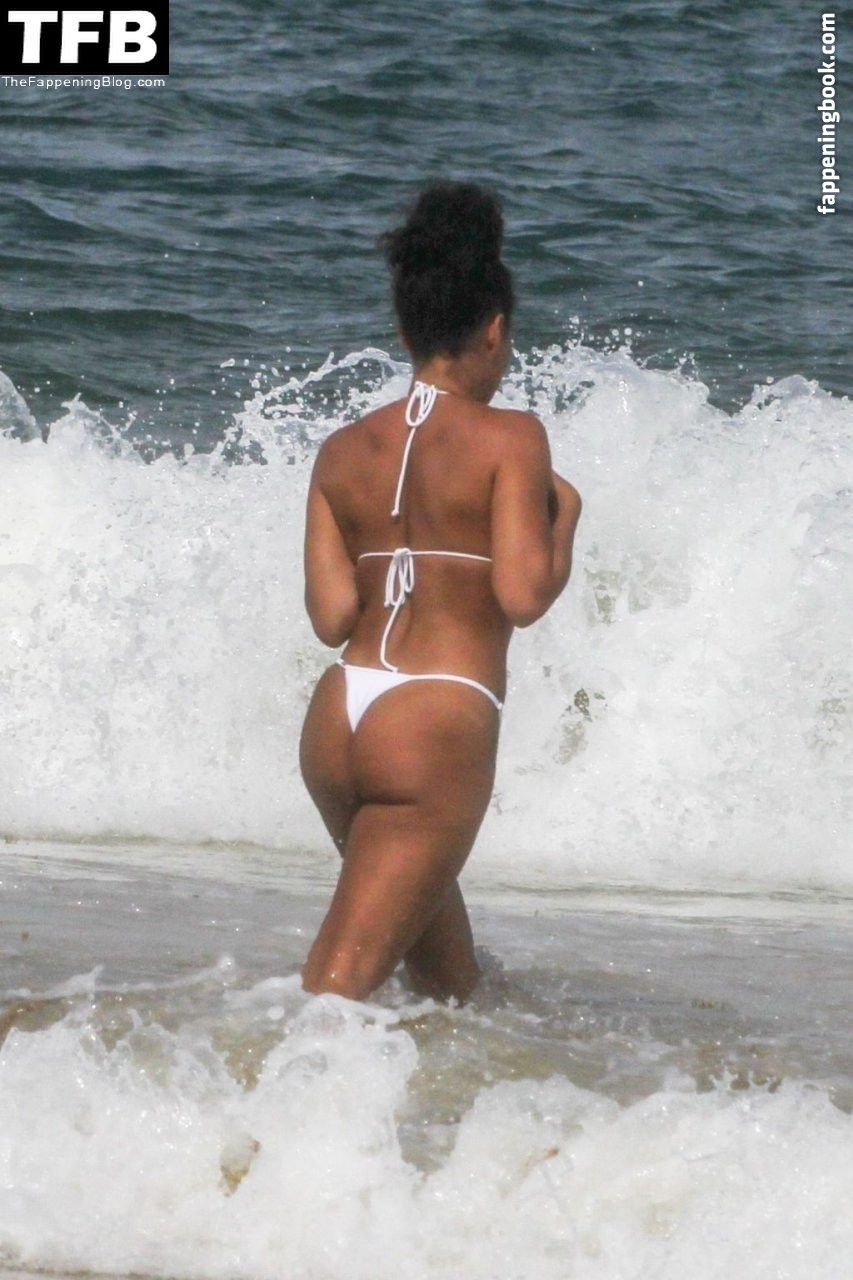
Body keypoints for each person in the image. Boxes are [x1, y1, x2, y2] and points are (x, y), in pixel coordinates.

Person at [299, 181, 582, 1003]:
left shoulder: (341, 449)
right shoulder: (511, 437)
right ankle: (233, 1088)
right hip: (433, 720)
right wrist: (566, 518)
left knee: (450, 990)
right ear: (494, 330)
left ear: (405, 331)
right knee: (334, 992)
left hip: (339, 717)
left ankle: (462, 1081)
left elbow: (331, 617)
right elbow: (522, 594)